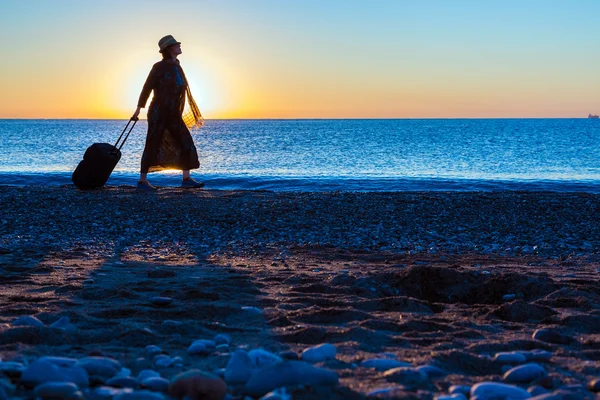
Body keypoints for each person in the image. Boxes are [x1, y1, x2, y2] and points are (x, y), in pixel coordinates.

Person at [132, 35, 205, 191]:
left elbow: (182, 89)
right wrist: (139, 109)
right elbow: (147, 88)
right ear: (170, 49)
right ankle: (142, 182)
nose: (180, 46)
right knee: (152, 143)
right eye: (177, 45)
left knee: (186, 142)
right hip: (158, 111)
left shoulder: (178, 66)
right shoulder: (158, 67)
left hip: (173, 113)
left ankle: (186, 179)